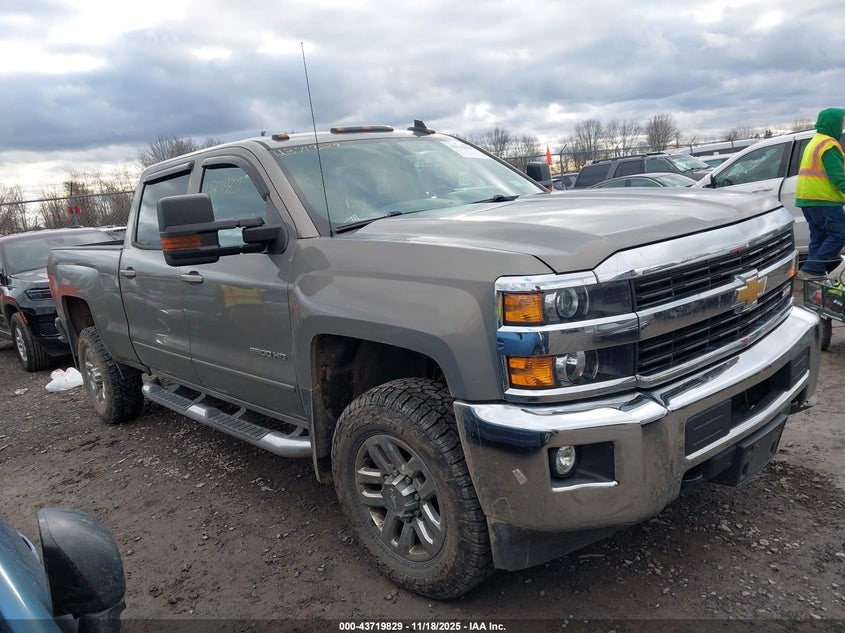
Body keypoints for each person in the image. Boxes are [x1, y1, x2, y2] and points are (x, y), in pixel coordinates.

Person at [796, 107, 845, 279]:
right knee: (840, 233)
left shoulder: (815, 142)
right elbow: (839, 177)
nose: (843, 126)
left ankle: (813, 278)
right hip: (824, 200)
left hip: (808, 201)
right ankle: (811, 270)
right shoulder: (829, 145)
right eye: (842, 122)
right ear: (833, 122)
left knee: (819, 238)